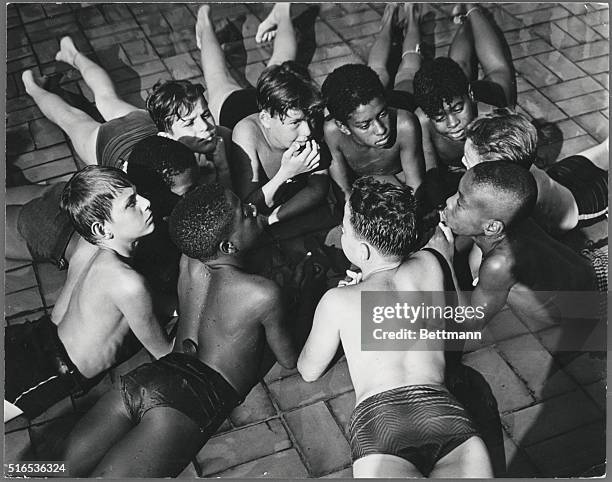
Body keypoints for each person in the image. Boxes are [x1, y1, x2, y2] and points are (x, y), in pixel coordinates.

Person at [61, 183, 297, 477]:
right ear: (227, 246)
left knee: (56, 469)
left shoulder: (190, 257)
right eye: (246, 214)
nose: (253, 210)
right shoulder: (261, 294)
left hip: (152, 376)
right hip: (191, 400)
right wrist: (303, 292)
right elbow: (289, 359)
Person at [297, 177, 492, 478]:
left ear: (362, 251)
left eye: (344, 228)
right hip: (442, 410)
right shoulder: (430, 263)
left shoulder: (336, 301)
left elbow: (309, 371)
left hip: (380, 421)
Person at [5, 166, 173, 421]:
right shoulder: (127, 283)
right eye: (131, 203)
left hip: (34, 336)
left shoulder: (90, 243)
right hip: (46, 373)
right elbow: (165, 352)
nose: (146, 203)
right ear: (102, 229)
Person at [21, 36, 231, 182]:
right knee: (70, 118)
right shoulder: (168, 173)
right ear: (168, 135)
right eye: (190, 122)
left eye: (205, 114)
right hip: (112, 143)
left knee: (106, 97)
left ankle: (73, 54)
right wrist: (222, 169)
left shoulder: (212, 135)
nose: (205, 126)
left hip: (141, 123)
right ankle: (32, 87)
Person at [440, 161, 603, 332]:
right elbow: (473, 235)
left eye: (460, 203)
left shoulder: (500, 263)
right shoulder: (513, 219)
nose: (449, 201)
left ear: (492, 227)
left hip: (590, 307)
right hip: (589, 269)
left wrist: (445, 260)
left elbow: (473, 323)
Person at [404, 3, 516, 204]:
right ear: (428, 115)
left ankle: (473, 9)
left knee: (498, 69)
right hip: (455, 95)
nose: (453, 122)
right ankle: (465, 23)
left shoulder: (492, 113)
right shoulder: (422, 120)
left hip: (487, 96)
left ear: (470, 96)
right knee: (458, 70)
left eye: (458, 110)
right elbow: (431, 174)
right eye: (439, 117)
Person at [461, 109, 608, 235]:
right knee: (606, 148)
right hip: (559, 177)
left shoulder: (513, 196)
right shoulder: (516, 161)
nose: (462, 161)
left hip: (583, 203)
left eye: (468, 160)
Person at [321, 63, 425, 203]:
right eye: (365, 125)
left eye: (383, 114)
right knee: (381, 69)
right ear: (343, 127)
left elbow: (415, 186)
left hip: (402, 98)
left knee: (407, 73)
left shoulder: (405, 125)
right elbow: (343, 191)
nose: (381, 130)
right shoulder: (332, 133)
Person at [195, 3, 298, 130]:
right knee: (217, 78)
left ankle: (205, 24)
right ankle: (205, 23)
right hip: (244, 114)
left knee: (280, 61)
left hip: (249, 111)